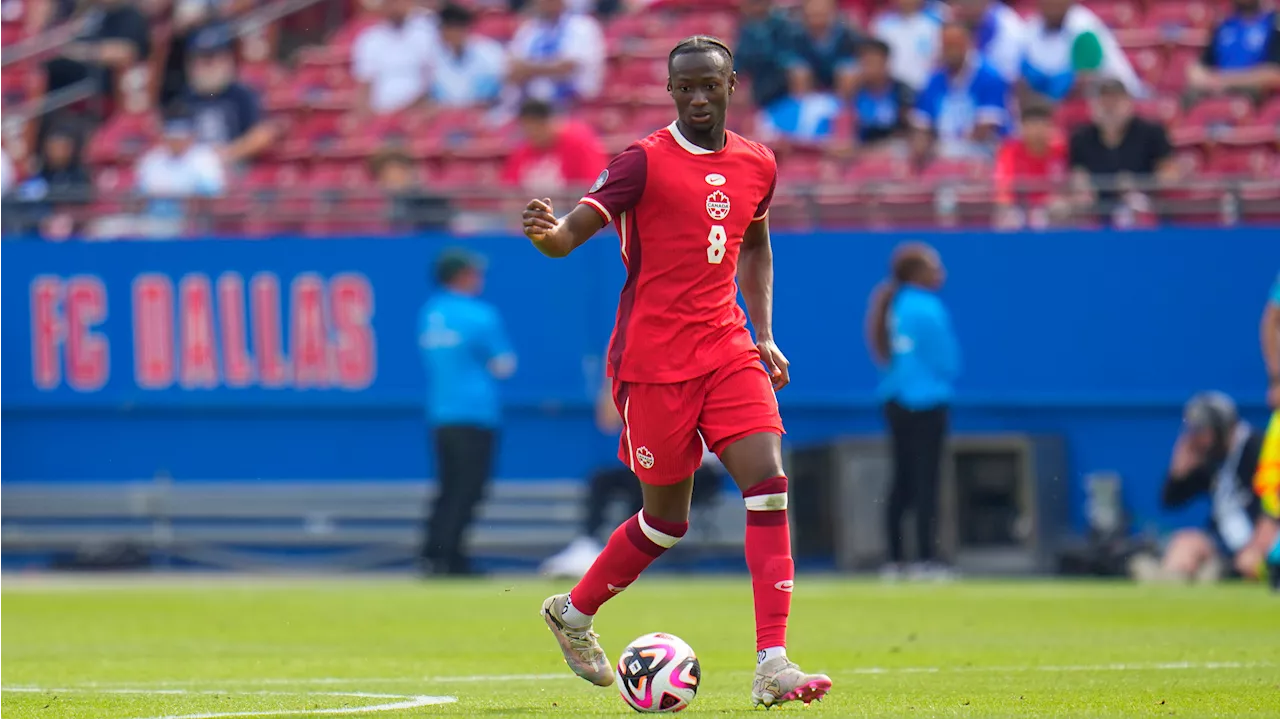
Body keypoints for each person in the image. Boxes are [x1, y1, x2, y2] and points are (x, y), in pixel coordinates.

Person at [520, 35, 832, 709]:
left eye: (708, 85)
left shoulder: (757, 162)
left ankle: (772, 661)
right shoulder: (642, 163)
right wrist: (546, 235)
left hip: (727, 347)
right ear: (669, 91)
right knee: (665, 522)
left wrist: (766, 332)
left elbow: (755, 243)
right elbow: (569, 235)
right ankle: (571, 613)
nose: (697, 97)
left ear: (731, 85)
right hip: (654, 361)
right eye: (684, 86)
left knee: (769, 483)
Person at [540, 363, 729, 579]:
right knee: (603, 479)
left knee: (642, 485)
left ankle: (626, 556)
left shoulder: (702, 375)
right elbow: (608, 420)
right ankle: (588, 544)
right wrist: (612, 369)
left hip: (700, 470)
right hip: (656, 464)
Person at [418, 249, 516, 577]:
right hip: (475, 413)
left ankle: (435, 554)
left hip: (442, 414)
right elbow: (504, 365)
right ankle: (453, 559)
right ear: (461, 275)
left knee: (448, 488)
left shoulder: (430, 313)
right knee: (469, 489)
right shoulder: (480, 315)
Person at [865, 242, 960, 581]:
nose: (941, 273)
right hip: (927, 402)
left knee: (902, 480)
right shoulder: (927, 307)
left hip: (895, 400)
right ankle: (927, 560)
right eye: (934, 267)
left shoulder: (895, 305)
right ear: (917, 273)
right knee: (926, 482)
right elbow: (946, 358)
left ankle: (895, 560)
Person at [1128, 392, 1278, 583]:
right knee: (1185, 541)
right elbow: (1170, 501)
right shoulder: (1213, 460)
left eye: (1202, 430)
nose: (1196, 438)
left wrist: (1258, 548)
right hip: (1224, 547)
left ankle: (1181, 576)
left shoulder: (1257, 447)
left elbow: (1272, 505)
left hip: (1259, 546)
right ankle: (1175, 576)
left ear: (1221, 428)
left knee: (1201, 558)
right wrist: (1178, 472)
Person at [1067, 77, 1176, 225]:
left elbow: (1169, 174)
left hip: (1143, 204)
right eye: (1104, 101)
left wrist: (1138, 184)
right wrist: (1083, 188)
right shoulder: (1081, 136)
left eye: (1115, 100)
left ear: (1129, 103)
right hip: (1097, 208)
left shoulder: (1152, 132)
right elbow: (1078, 174)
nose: (1109, 106)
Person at [910, 23, 1009, 161]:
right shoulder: (935, 79)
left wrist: (946, 148)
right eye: (946, 46)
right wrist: (921, 145)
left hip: (983, 151)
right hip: (941, 151)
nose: (951, 51)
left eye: (955, 45)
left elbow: (985, 130)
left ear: (969, 44)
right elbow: (922, 125)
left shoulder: (989, 76)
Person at [182, 24, 275, 166]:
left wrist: (228, 153)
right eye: (202, 58)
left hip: (235, 168)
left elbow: (263, 134)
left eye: (213, 57)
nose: (208, 65)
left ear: (227, 59)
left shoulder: (241, 94)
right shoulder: (185, 98)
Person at [1020, 0, 1142, 102]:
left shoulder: (1084, 28)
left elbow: (1084, 80)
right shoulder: (1032, 28)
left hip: (1116, 98)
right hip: (1054, 103)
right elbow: (1023, 76)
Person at [351, 0, 439, 116]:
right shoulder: (370, 40)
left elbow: (432, 80)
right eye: (392, 3)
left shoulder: (425, 34)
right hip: (381, 114)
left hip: (417, 113)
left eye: (401, 3)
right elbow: (365, 85)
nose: (397, 8)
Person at [501, 98, 607, 193]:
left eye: (539, 125)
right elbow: (509, 190)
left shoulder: (580, 143)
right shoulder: (524, 150)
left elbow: (593, 187)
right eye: (528, 127)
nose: (534, 132)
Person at [993, 101, 1068, 229]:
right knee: (1008, 217)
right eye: (1033, 125)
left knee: (1061, 208)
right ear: (1023, 127)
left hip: (1048, 208)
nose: (1038, 130)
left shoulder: (1060, 150)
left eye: (1043, 124)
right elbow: (1003, 188)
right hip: (1018, 208)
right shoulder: (1010, 150)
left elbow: (1063, 186)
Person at [1188, 0, 1280, 98]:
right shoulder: (1224, 25)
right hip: (1218, 90)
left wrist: (1228, 80)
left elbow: (1275, 73)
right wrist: (1204, 78)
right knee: (1192, 94)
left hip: (1252, 94)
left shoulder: (1274, 24)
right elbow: (1199, 67)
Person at [430, 3, 507, 107]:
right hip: (444, 114)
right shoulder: (432, 55)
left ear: (467, 28)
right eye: (448, 28)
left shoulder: (489, 51)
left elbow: (498, 90)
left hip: (483, 113)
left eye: (458, 28)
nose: (453, 33)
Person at [870, 0, 945, 93]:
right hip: (895, 93)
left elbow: (941, 60)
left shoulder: (934, 24)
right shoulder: (882, 26)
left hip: (925, 90)